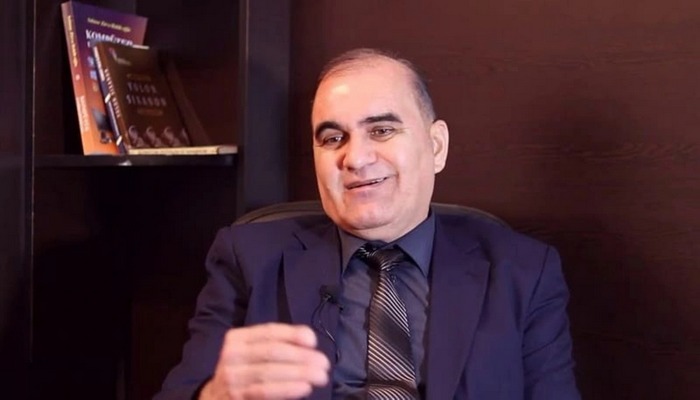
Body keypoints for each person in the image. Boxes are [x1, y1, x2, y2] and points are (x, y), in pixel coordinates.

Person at [155, 48, 580, 400]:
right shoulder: (247, 259)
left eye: (381, 130)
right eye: (332, 138)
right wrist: (217, 396)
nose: (355, 158)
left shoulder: (524, 273)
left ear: (435, 147)